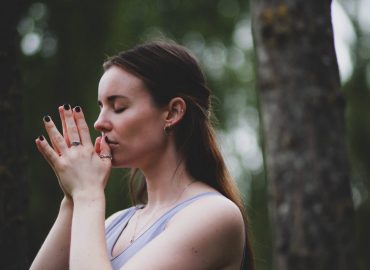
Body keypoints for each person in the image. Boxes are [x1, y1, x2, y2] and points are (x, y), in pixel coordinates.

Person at [30, 40, 254, 270]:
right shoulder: (114, 224)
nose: (99, 123)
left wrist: (87, 193)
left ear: (172, 112)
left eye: (118, 108)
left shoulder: (214, 215)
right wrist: (72, 198)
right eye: (100, 107)